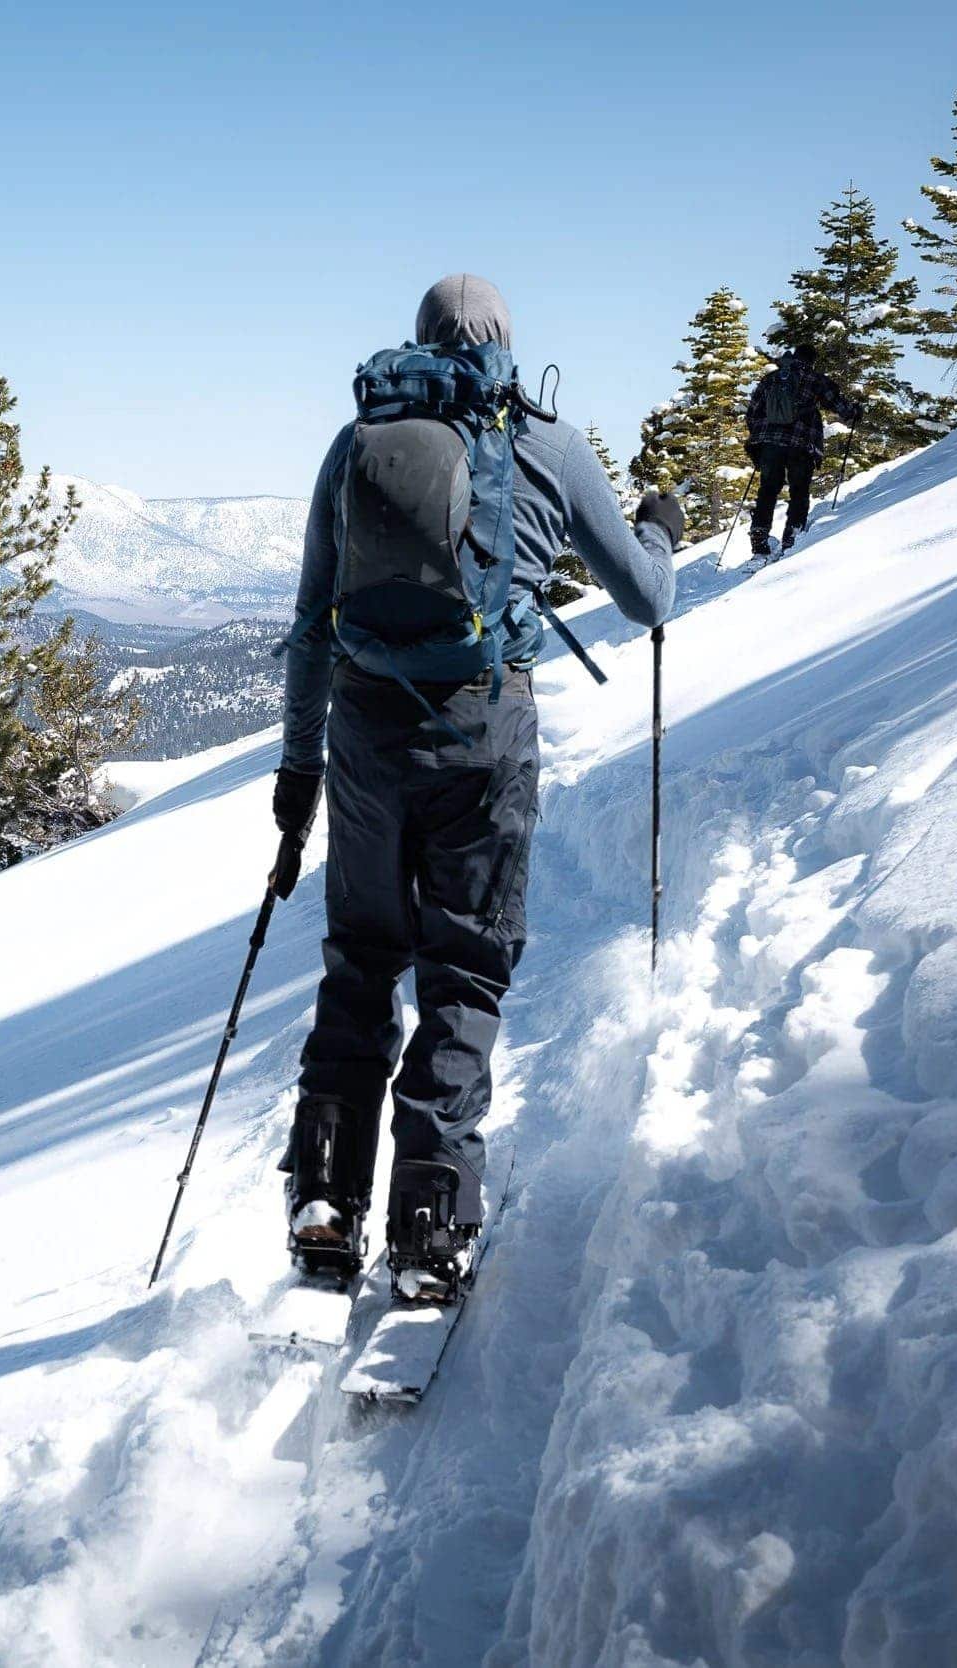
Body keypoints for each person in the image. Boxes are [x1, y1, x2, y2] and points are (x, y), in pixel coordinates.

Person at [274, 273, 678, 1303]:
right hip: (485, 738)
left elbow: (311, 626)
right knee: (461, 971)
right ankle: (428, 1220)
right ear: (505, 341)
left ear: (415, 341)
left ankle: (324, 1199)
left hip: (365, 739)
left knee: (360, 963)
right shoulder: (549, 445)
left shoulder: (357, 444)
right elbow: (644, 599)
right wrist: (661, 528)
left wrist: (298, 774)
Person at [743, 341, 863, 557]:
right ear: (811, 361)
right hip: (801, 443)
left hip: (769, 444)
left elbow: (752, 412)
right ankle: (793, 534)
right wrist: (854, 411)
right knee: (799, 490)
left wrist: (760, 438)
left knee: (768, 489)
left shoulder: (771, 378)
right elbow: (837, 403)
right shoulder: (815, 379)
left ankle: (759, 533)